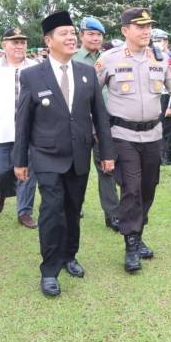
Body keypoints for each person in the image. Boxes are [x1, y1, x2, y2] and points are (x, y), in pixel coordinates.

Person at [14, 11, 115, 297]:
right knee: (51, 210)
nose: (71, 38)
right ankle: (49, 269)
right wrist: (20, 160)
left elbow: (100, 115)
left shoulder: (87, 73)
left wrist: (107, 152)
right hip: (46, 155)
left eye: (73, 33)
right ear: (48, 41)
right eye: (64, 34)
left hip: (79, 153)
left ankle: (70, 256)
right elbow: (22, 121)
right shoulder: (32, 75)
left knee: (73, 208)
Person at [95, 8, 171, 272]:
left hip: (153, 135)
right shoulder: (109, 59)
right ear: (125, 31)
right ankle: (131, 244)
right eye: (140, 27)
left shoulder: (161, 58)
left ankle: (137, 233)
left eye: (148, 26)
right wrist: (95, 128)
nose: (146, 31)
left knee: (149, 186)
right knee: (131, 187)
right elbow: (91, 93)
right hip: (121, 135)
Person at [0, 28, 38, 228]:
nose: (20, 46)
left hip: (30, 131)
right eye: (15, 42)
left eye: (23, 41)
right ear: (4, 45)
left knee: (28, 173)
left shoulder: (37, 67)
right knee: (2, 172)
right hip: (1, 129)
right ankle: (3, 191)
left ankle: (24, 212)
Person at [73, 16, 121, 231]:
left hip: (105, 124)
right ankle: (74, 206)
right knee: (76, 170)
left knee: (107, 168)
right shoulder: (72, 59)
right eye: (91, 34)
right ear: (81, 35)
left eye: (99, 35)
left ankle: (113, 215)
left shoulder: (109, 59)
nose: (95, 38)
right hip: (79, 125)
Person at [151, 29, 171, 166]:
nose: (157, 43)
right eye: (155, 40)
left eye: (159, 40)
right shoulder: (153, 57)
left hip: (168, 96)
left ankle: (168, 155)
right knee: (158, 127)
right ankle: (160, 154)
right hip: (157, 95)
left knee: (168, 128)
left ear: (166, 42)